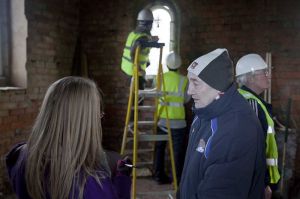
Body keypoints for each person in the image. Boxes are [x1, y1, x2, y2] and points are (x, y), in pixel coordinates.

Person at [6, 76, 132, 199]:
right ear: (84, 121)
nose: (100, 118)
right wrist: (123, 179)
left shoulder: (19, 155)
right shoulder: (91, 184)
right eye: (98, 114)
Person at [178, 48, 266, 199]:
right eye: (189, 82)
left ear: (217, 86)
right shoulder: (204, 113)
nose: (189, 91)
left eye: (196, 83)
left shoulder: (236, 129)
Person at [236, 54, 280, 199]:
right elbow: (252, 148)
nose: (269, 76)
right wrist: (263, 182)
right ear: (250, 78)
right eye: (264, 73)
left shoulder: (250, 99)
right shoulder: (250, 103)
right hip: (256, 182)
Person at [153, 51, 190, 184]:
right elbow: (186, 99)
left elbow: (155, 97)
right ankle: (177, 179)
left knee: (160, 149)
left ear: (167, 65)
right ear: (179, 65)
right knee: (178, 152)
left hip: (163, 120)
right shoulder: (184, 80)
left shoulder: (159, 78)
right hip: (179, 123)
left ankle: (158, 176)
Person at [121, 8, 158, 90]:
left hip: (127, 70)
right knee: (138, 100)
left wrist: (151, 39)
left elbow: (141, 44)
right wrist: (140, 69)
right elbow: (133, 53)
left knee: (134, 99)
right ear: (149, 24)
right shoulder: (142, 37)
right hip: (135, 71)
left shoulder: (133, 34)